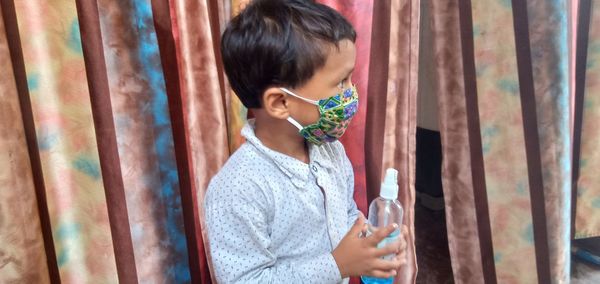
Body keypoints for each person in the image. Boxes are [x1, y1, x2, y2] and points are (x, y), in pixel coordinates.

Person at [204, 0, 408, 283]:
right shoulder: (237, 189)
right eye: (341, 82)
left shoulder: (331, 152)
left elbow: (345, 214)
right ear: (280, 102)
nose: (351, 94)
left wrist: (371, 241)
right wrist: (337, 265)